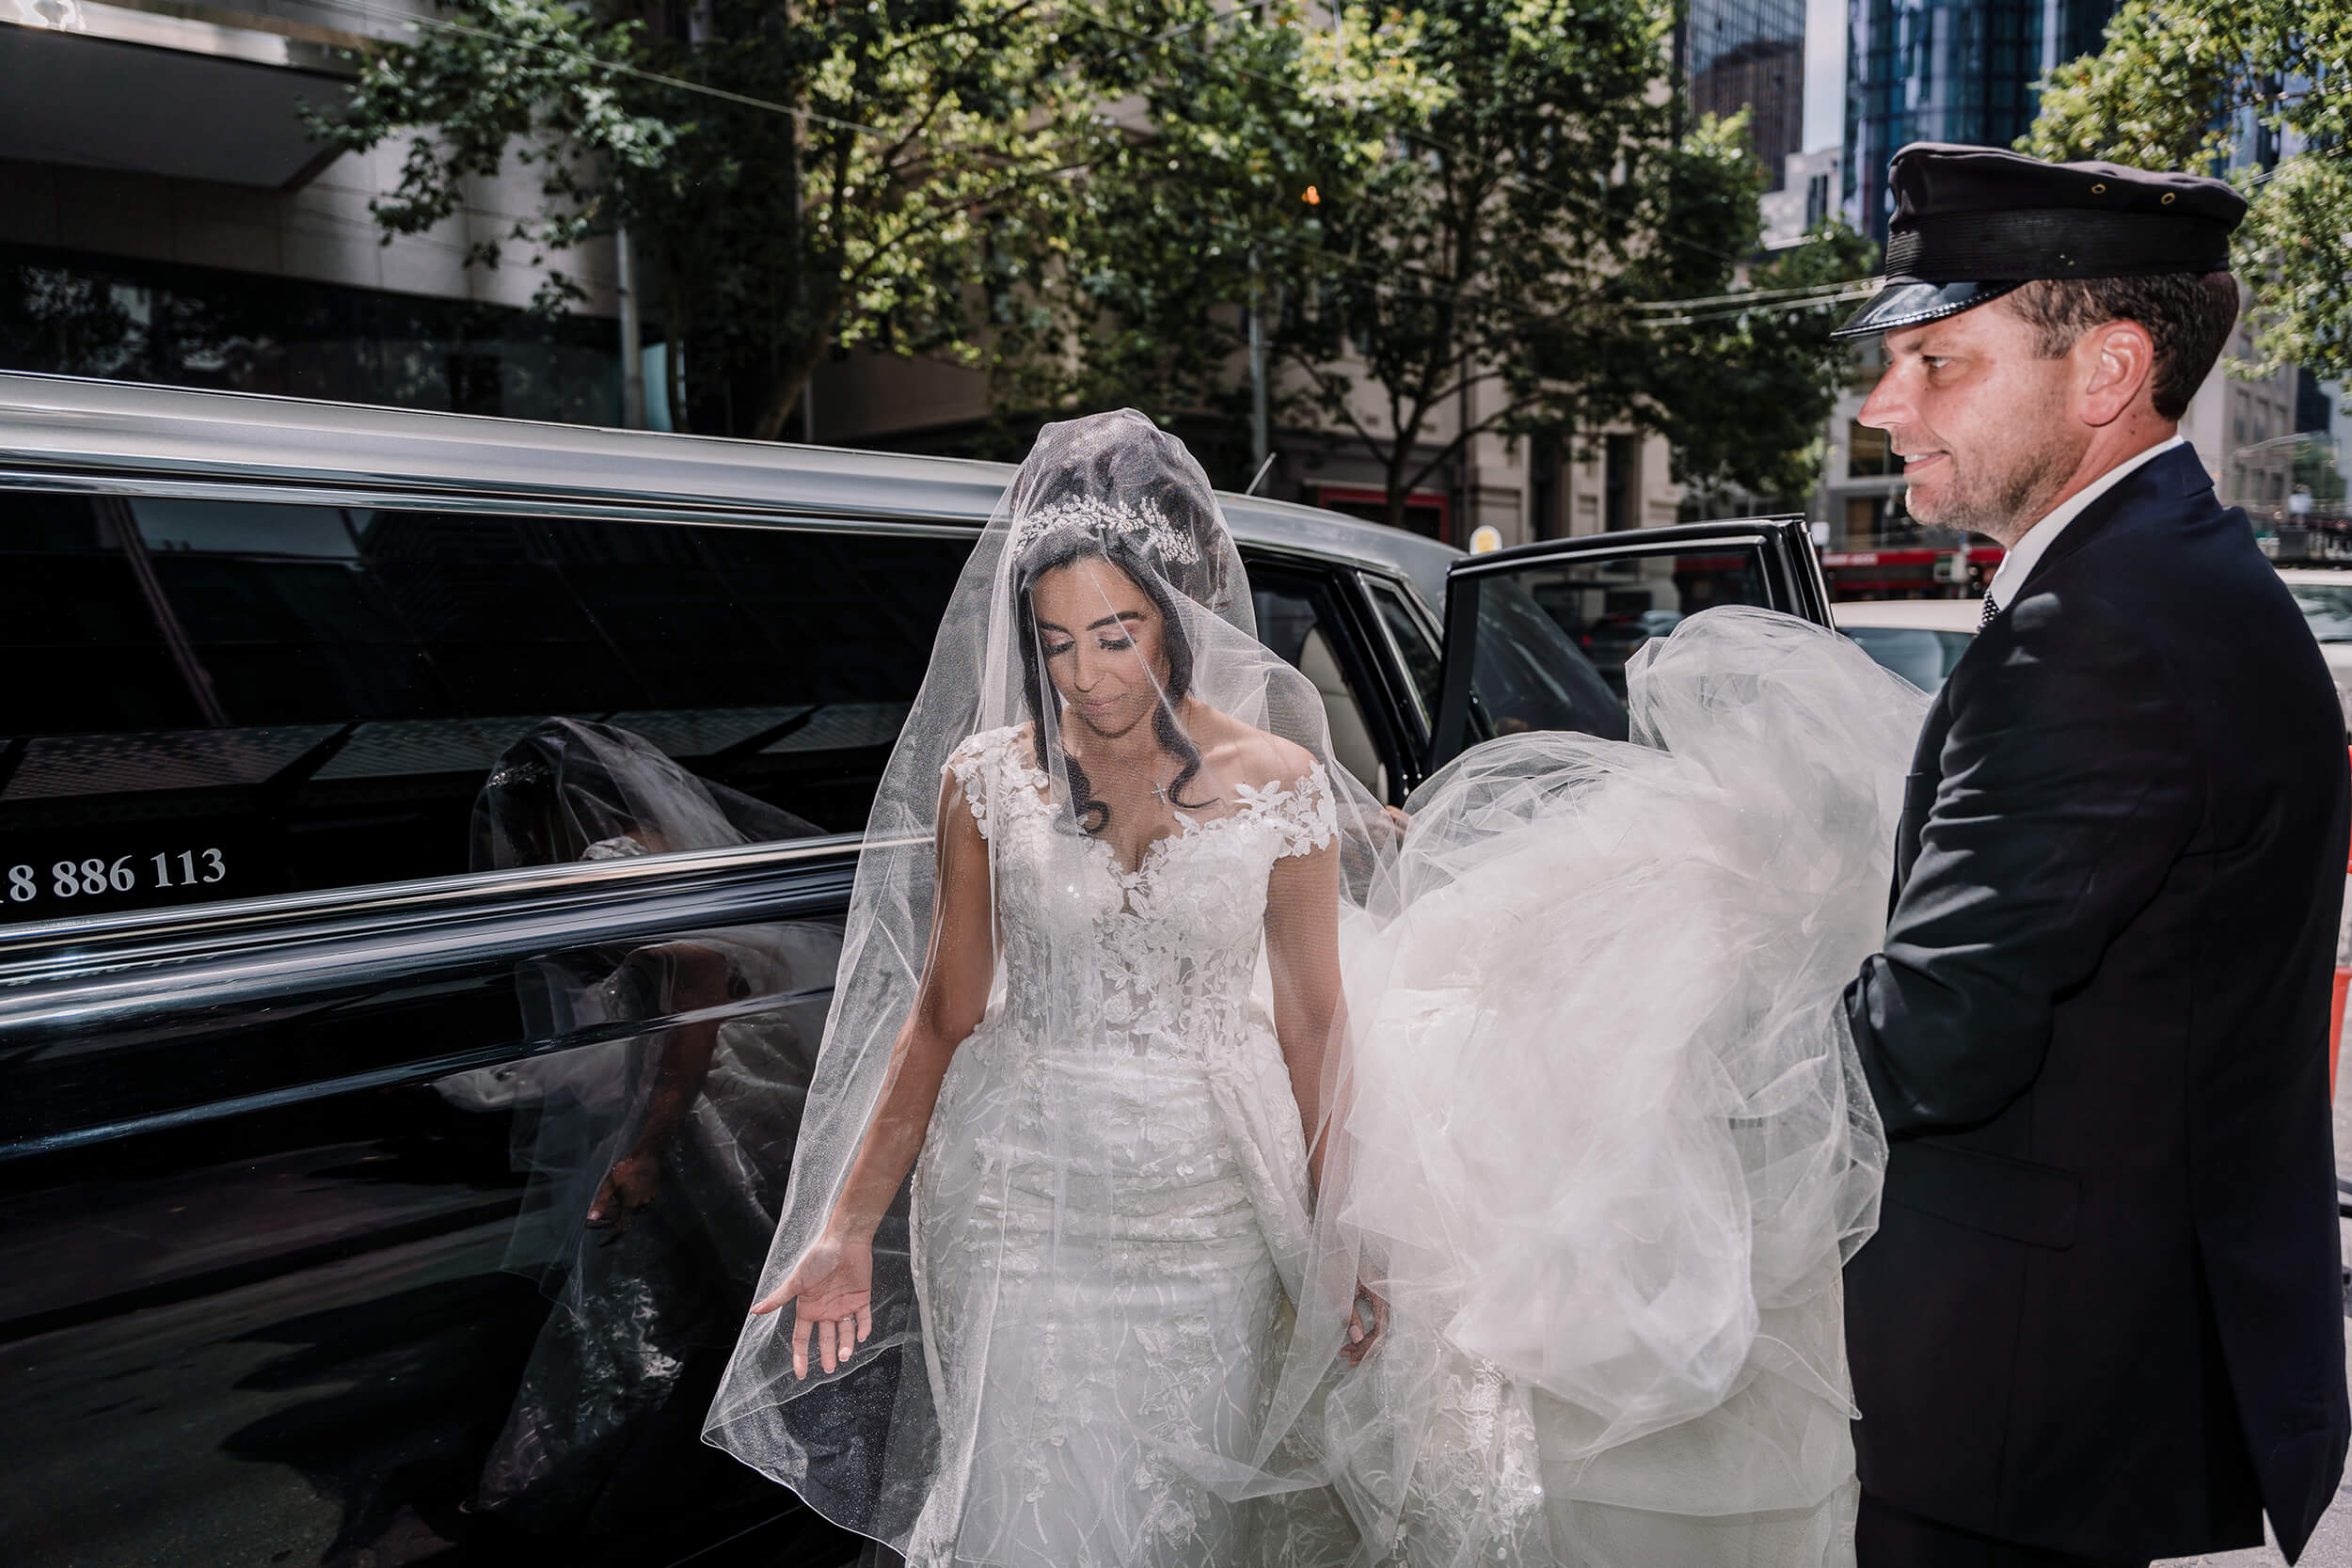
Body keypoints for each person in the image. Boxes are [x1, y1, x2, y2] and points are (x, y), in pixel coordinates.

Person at [705, 411, 1386, 1566]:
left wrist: (1342, 1233)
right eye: (1057, 641)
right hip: (1020, 1192)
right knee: (1033, 1490)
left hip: (1210, 1200)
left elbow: (1315, 1022)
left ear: (1172, 620)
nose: (1086, 673)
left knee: (1186, 1499)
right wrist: (847, 1224)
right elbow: (941, 1014)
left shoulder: (1280, 783)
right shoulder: (987, 781)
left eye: (1115, 636)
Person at [1830, 143, 2351, 1566]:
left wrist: (1651, 1050)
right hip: (2071, 1380)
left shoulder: (2101, 628)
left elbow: (1931, 1036)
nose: (1884, 406)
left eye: (1938, 360)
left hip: (2017, 1402)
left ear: (2107, 370)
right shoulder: (2150, 575)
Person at [440, 719, 835, 1553]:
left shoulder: (610, 862)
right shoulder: (667, 840)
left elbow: (694, 987)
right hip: (743, 1087)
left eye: (524, 829)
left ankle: (542, 1497)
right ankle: (549, 1489)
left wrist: (649, 1140)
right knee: (703, 1287)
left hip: (701, 1101)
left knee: (649, 1295)